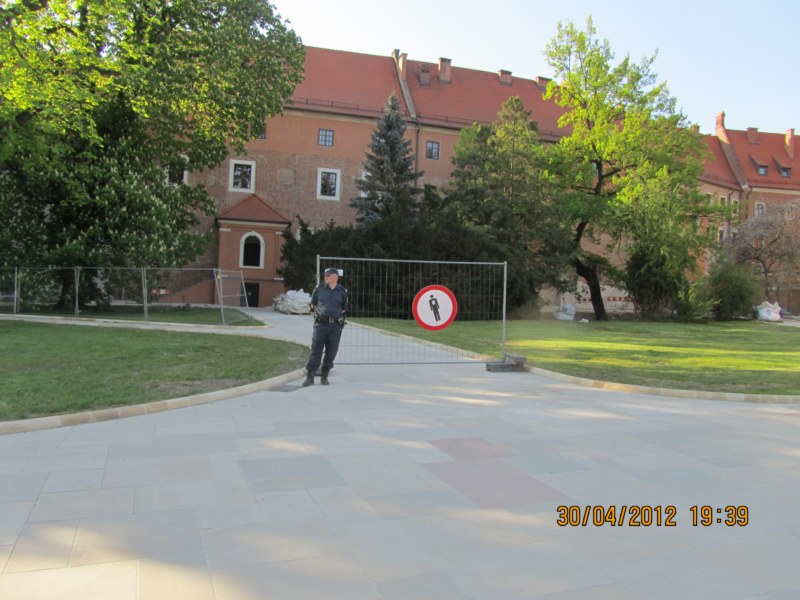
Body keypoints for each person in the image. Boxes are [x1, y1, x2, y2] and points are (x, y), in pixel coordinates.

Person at [302, 267, 348, 386]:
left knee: (331, 351)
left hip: (335, 326)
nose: (325, 277)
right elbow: (313, 305)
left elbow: (344, 309)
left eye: (328, 276)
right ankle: (310, 377)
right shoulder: (319, 289)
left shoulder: (342, 291)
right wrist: (318, 315)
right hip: (321, 324)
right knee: (316, 349)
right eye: (325, 276)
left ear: (335, 277)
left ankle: (325, 375)